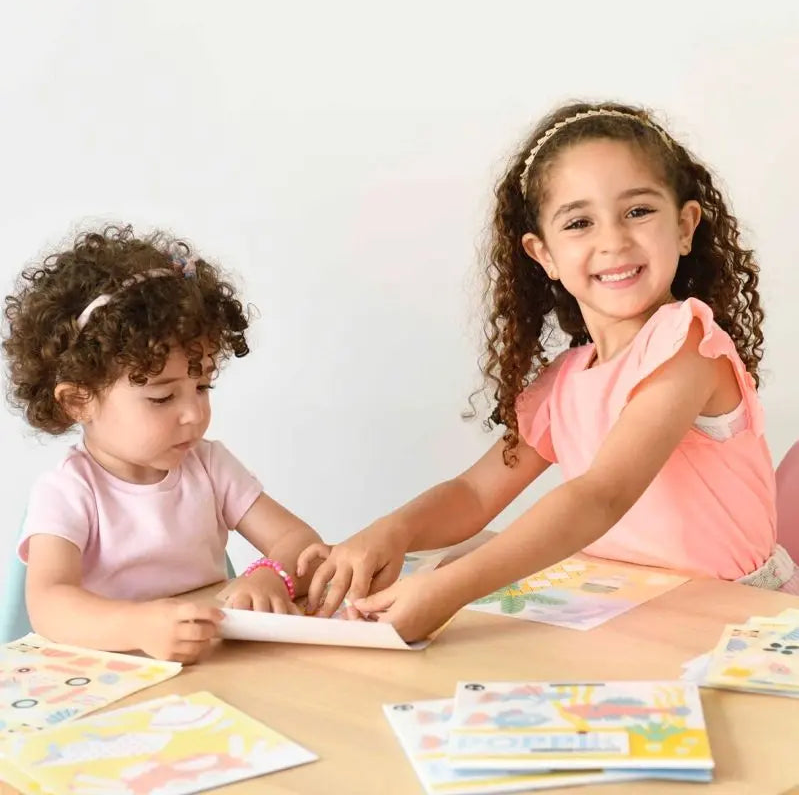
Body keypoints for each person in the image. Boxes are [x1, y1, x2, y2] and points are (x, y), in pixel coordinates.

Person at [298, 102, 796, 642]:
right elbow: (473, 493)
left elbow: (600, 494)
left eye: (638, 212)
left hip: (736, 622)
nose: (613, 240)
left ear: (684, 226)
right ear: (544, 255)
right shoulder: (566, 381)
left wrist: (449, 589)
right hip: (630, 614)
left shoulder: (687, 343)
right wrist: (388, 533)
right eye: (580, 222)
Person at [3, 226, 322, 662]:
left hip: (209, 668)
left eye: (203, 387)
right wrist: (138, 625)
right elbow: (50, 604)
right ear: (79, 401)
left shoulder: (209, 466)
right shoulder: (69, 491)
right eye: (162, 396)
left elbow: (300, 542)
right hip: (114, 678)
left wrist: (271, 575)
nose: (193, 413)